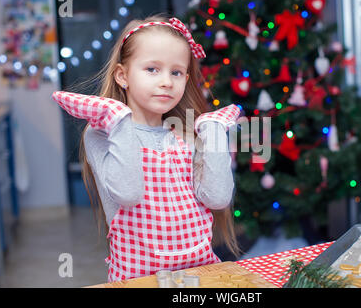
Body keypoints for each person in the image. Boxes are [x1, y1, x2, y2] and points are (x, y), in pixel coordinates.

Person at [52, 14, 241, 282]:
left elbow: (218, 198)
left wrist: (213, 131)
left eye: (176, 72)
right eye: (152, 69)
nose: (166, 81)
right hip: (137, 280)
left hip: (198, 275)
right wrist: (118, 119)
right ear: (122, 75)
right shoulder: (101, 135)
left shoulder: (187, 133)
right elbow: (128, 194)